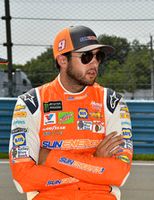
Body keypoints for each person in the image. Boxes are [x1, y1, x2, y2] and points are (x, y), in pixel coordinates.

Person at [9, 25, 133, 200]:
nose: (94, 63)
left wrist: (50, 157)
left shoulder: (112, 102)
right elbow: (23, 178)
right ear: (62, 60)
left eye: (99, 56)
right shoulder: (30, 103)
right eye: (86, 56)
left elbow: (118, 174)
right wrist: (93, 163)